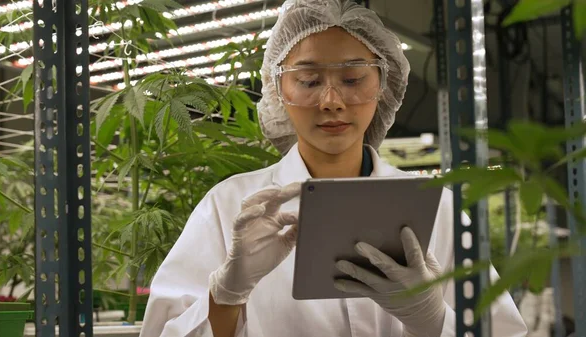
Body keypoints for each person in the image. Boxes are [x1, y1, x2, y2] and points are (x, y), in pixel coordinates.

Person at [139, 0, 528, 336]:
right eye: (308, 80)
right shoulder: (229, 207)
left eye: (353, 78)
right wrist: (225, 295)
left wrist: (433, 321)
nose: (331, 101)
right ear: (278, 91)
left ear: (383, 84)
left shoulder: (435, 207)